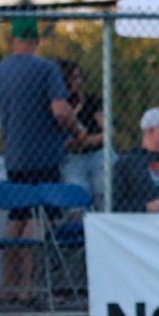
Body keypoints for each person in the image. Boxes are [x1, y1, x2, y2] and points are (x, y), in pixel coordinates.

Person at [0, 17, 84, 304]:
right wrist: (77, 129)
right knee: (38, 216)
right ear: (37, 41)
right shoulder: (46, 68)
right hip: (44, 153)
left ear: (12, 40)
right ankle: (29, 288)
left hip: (15, 155)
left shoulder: (1, 70)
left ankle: (7, 287)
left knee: (16, 217)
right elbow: (60, 110)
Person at [57, 60, 108, 210]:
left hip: (96, 153)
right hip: (71, 157)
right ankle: (80, 228)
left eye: (79, 77)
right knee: (77, 195)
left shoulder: (91, 101)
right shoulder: (57, 105)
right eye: (73, 77)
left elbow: (109, 131)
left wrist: (90, 140)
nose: (78, 81)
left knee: (104, 190)